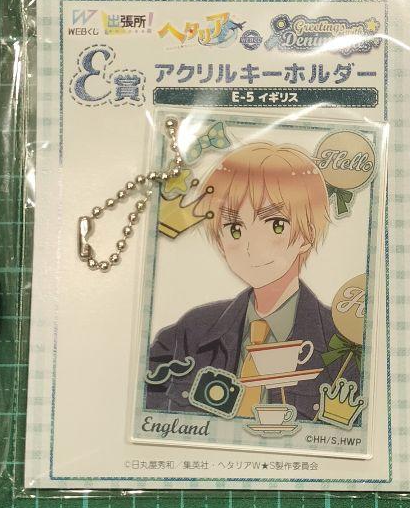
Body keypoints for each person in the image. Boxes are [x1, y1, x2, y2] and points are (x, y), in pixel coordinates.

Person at [146, 141, 351, 422]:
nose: (250, 247)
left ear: (307, 235)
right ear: (219, 239)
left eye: (276, 225)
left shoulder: (342, 345)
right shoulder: (189, 334)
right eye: (234, 228)